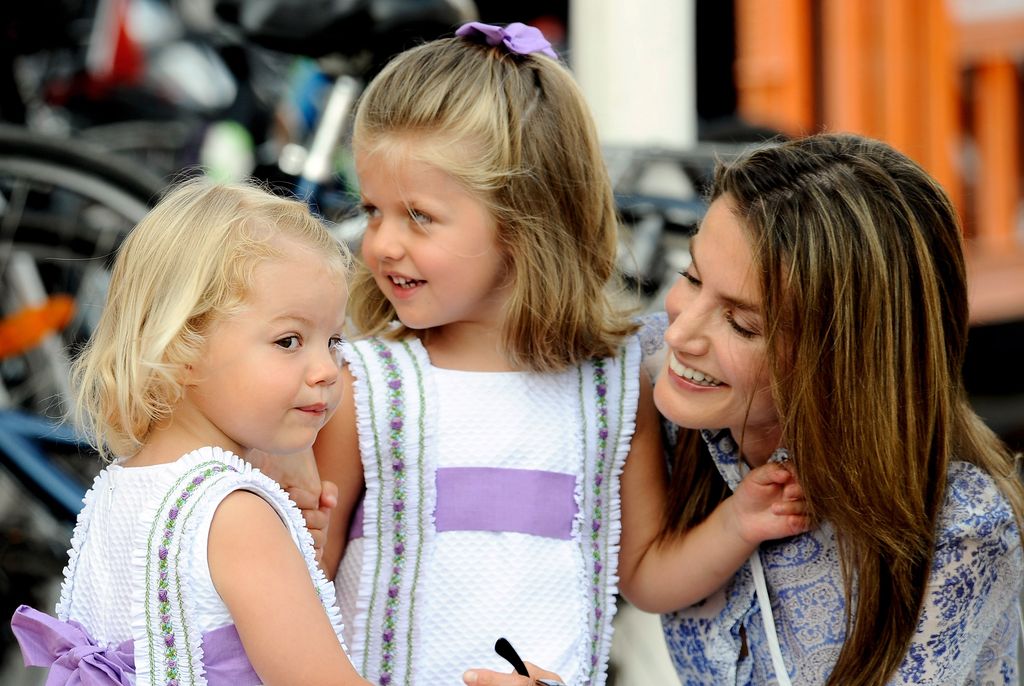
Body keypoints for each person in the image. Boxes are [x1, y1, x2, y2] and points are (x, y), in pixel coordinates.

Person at [267, 20, 810, 686]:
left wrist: (739, 522)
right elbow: (300, 588)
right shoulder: (369, 388)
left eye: (418, 217)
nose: (380, 243)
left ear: (524, 222)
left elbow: (644, 574)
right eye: (374, 210)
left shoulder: (609, 390)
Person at [614, 132, 1024, 685]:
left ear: (846, 365)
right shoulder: (642, 378)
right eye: (691, 277)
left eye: (743, 324)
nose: (681, 331)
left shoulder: (958, 537)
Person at [10, 178, 372, 686]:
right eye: (290, 340)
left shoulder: (118, 488)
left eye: (333, 339)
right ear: (181, 347)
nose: (328, 369)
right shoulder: (236, 515)